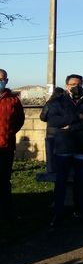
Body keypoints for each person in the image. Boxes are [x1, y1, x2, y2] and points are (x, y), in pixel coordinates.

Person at [47, 74, 83, 226]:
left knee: (82, 183)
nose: (75, 86)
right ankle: (58, 213)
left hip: (82, 147)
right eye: (72, 84)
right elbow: (53, 121)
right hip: (63, 148)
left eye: (78, 84)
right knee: (61, 182)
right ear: (66, 86)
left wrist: (70, 126)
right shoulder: (58, 102)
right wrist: (77, 117)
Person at [0, 69, 24, 222]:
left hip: (5, 147)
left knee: (3, 182)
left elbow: (19, 120)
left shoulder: (13, 100)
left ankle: (6, 213)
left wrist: (8, 133)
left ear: (7, 80)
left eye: (2, 79)